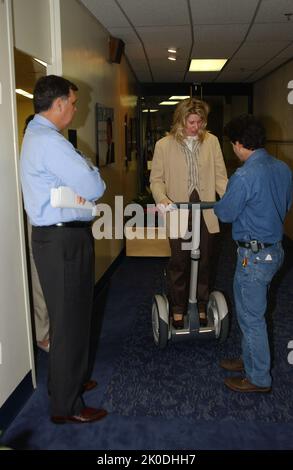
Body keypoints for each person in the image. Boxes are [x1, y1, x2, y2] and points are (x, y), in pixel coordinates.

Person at [20, 75, 107, 423]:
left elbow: (84, 183)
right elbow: (94, 185)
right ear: (57, 105)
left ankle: (66, 384)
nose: (76, 107)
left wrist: (85, 175)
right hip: (62, 241)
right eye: (72, 102)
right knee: (70, 323)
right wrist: (90, 173)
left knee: (67, 320)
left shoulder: (39, 136)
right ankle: (67, 408)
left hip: (57, 239)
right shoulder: (50, 142)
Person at [214, 114, 292, 393]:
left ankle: (258, 378)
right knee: (252, 311)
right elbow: (285, 203)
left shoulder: (244, 175)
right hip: (275, 251)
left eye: (232, 144)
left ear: (238, 143)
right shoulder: (283, 168)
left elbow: (225, 213)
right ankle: (249, 360)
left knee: (252, 318)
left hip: (254, 258)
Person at [150, 98, 228, 329]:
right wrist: (162, 198)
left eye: (199, 121)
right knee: (179, 261)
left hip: (206, 210)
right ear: (180, 120)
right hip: (178, 209)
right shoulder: (164, 145)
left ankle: (202, 305)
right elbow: (156, 180)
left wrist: (231, 200)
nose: (195, 126)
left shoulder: (211, 141)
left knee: (205, 260)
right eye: (191, 121)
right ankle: (178, 308)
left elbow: (220, 176)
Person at [23, 114, 50, 353]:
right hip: (35, 224)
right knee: (39, 280)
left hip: (48, 227)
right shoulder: (25, 157)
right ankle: (43, 336)